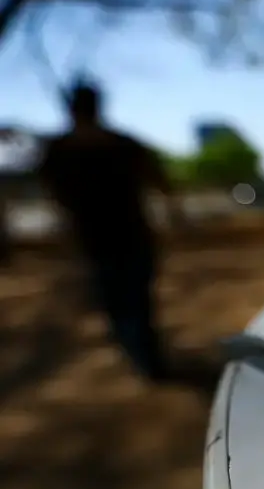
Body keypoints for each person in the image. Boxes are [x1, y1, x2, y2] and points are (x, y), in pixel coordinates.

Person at [36, 80, 184, 382]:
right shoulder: (117, 144)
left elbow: (53, 196)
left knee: (124, 303)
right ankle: (144, 356)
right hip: (124, 238)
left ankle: (143, 356)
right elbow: (160, 182)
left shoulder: (60, 150)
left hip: (106, 241)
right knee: (131, 302)